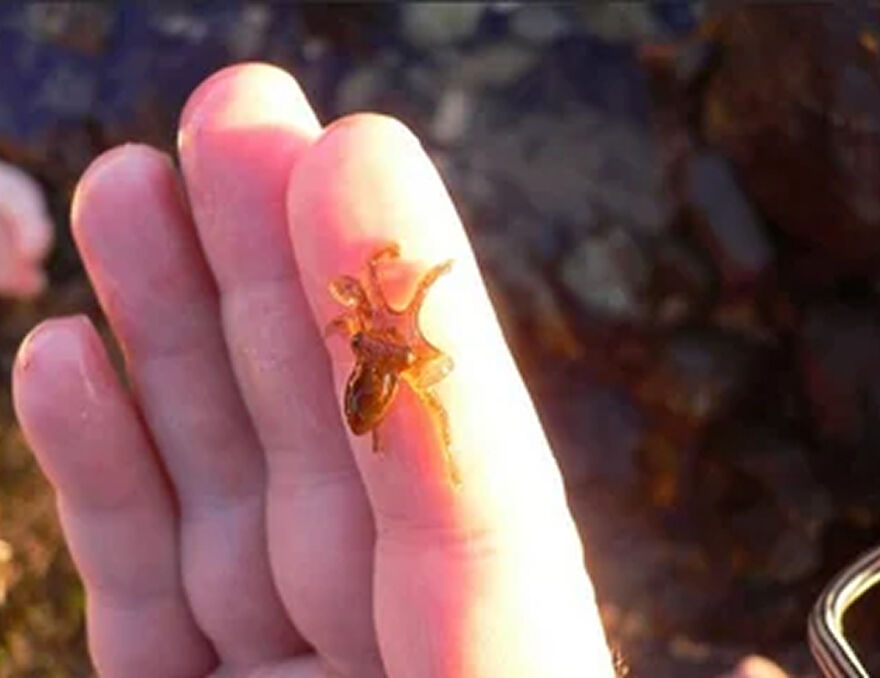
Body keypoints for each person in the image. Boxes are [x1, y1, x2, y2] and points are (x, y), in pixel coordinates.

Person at [11, 63, 618, 678]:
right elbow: (369, 326)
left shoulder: (381, 351)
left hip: (374, 385)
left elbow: (415, 363)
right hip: (372, 384)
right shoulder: (377, 345)